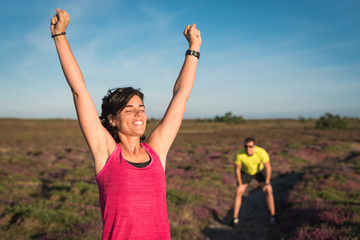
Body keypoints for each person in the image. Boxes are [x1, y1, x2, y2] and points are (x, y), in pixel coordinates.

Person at [50, 8, 201, 240]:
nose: (138, 114)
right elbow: (79, 91)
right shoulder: (107, 153)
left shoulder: (157, 151)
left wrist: (193, 49)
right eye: (129, 110)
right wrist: (59, 36)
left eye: (141, 108)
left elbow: (181, 96)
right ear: (112, 119)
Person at [231, 137, 277, 227]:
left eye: (250, 146)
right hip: (245, 172)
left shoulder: (261, 152)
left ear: (254, 146)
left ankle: (273, 216)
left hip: (259, 171)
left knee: (268, 190)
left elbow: (268, 167)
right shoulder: (239, 154)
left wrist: (267, 182)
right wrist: (240, 183)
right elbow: (237, 170)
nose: (248, 149)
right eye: (246, 146)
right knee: (238, 192)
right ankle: (234, 218)